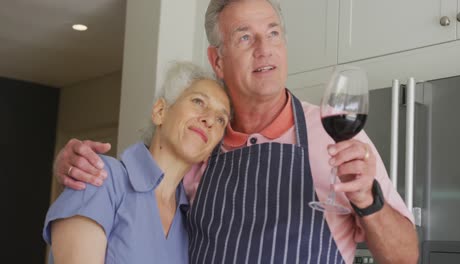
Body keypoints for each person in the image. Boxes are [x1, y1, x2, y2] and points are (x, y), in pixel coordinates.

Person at [52, 0, 419, 263]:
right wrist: (77, 166)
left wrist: (369, 203)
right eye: (245, 37)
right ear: (218, 60)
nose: (265, 50)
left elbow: (405, 257)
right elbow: (135, 189)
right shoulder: (198, 147)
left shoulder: (334, 138)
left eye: (272, 33)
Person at [43, 61, 231, 263]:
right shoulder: (99, 176)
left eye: (221, 119)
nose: (210, 120)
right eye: (198, 102)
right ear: (160, 111)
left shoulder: (190, 223)